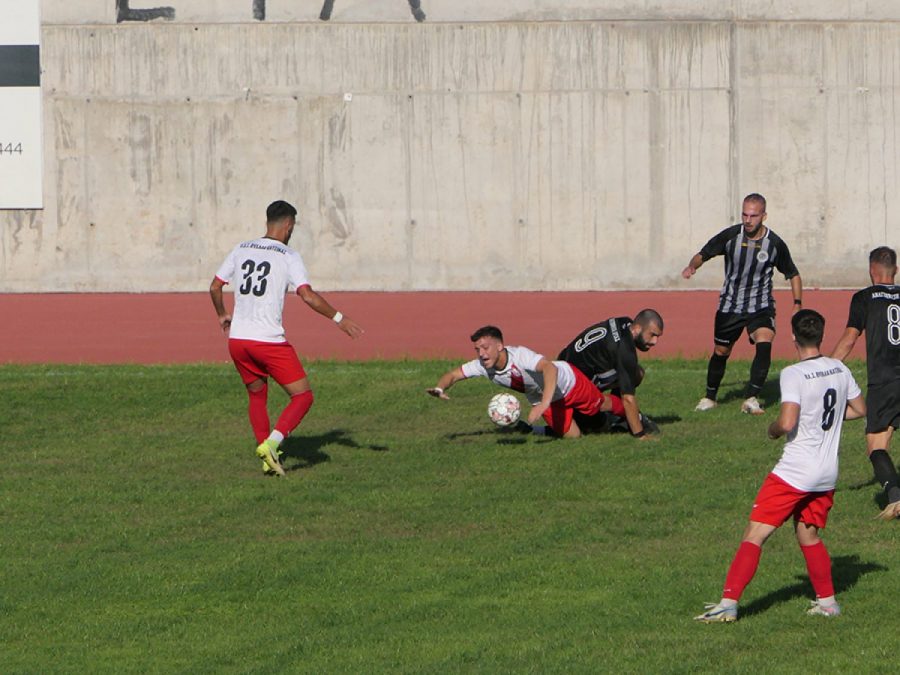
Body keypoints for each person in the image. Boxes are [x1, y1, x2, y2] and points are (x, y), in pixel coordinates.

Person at [694, 309, 865, 622]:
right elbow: (860, 409)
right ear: (822, 336)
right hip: (826, 474)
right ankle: (828, 603)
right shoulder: (839, 369)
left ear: (794, 337)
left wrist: (771, 430)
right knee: (808, 535)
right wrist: (821, 421)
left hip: (795, 472)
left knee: (755, 534)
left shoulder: (793, 373)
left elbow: (786, 423)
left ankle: (728, 604)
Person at [209, 200, 363, 476]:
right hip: (268, 341)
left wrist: (222, 314)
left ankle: (267, 457)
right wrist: (340, 319)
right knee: (303, 396)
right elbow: (306, 294)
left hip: (238, 341)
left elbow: (215, 285)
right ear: (289, 225)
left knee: (257, 396)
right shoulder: (288, 255)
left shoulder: (241, 248)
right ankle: (273, 443)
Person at [682, 193, 803, 415]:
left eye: (754, 216)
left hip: (760, 305)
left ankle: (752, 398)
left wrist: (797, 303)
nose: (748, 220)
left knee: (765, 339)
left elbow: (793, 274)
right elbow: (704, 253)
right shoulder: (730, 236)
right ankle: (710, 397)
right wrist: (692, 267)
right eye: (745, 214)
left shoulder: (774, 244)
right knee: (721, 351)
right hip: (730, 306)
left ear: (764, 216)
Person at [426, 326, 640, 439]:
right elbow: (453, 374)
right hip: (544, 398)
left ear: (500, 346)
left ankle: (637, 417)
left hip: (568, 383)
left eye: (485, 348)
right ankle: (529, 430)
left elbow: (550, 367)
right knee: (574, 437)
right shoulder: (483, 365)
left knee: (603, 407)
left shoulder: (521, 356)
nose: (481, 354)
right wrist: (440, 387)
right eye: (477, 350)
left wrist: (544, 404)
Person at [830, 246, 900, 520]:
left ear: (872, 271)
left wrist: (828, 366)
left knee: (876, 446)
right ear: (895, 270)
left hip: (883, 382)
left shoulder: (864, 298)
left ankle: (895, 497)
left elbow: (850, 337)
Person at [557, 309, 664, 437]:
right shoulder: (624, 350)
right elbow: (628, 398)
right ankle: (617, 416)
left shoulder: (624, 322)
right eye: (652, 335)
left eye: (658, 337)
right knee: (599, 426)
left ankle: (616, 414)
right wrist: (640, 435)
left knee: (636, 373)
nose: (655, 342)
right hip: (567, 389)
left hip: (562, 368)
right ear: (637, 328)